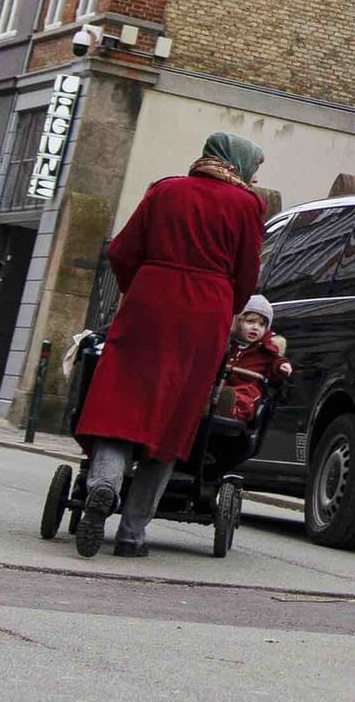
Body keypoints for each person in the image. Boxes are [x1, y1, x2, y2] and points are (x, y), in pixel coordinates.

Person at [69, 132, 268, 556]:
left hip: (149, 300)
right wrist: (223, 307)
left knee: (119, 403)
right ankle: (132, 534)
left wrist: (137, 289)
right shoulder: (247, 205)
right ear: (241, 164)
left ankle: (102, 485)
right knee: (174, 418)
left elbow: (122, 251)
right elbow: (246, 272)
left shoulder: (164, 190)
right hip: (205, 314)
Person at [211, 294, 290, 433]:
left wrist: (281, 367)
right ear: (238, 322)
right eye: (250, 322)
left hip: (245, 386)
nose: (255, 328)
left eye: (261, 324)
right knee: (209, 387)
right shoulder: (227, 344)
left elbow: (275, 363)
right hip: (220, 383)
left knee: (249, 394)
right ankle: (208, 406)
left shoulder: (265, 350)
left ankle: (232, 411)